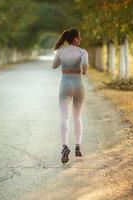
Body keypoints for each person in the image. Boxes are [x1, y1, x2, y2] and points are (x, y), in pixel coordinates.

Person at [52, 28, 89, 164]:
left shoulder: (61, 51)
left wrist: (61, 55)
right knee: (77, 116)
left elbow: (54, 66)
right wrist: (84, 71)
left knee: (64, 116)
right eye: (79, 37)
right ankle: (78, 146)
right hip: (78, 85)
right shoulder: (82, 52)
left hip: (65, 86)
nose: (80, 39)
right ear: (75, 39)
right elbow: (85, 65)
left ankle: (64, 146)